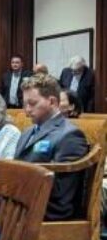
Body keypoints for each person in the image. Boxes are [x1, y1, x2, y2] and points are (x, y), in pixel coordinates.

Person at [15, 74, 88, 221]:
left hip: (46, 213)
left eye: (32, 103)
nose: (27, 110)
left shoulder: (70, 135)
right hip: (21, 204)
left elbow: (61, 194)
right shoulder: (27, 132)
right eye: (24, 104)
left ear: (52, 102)